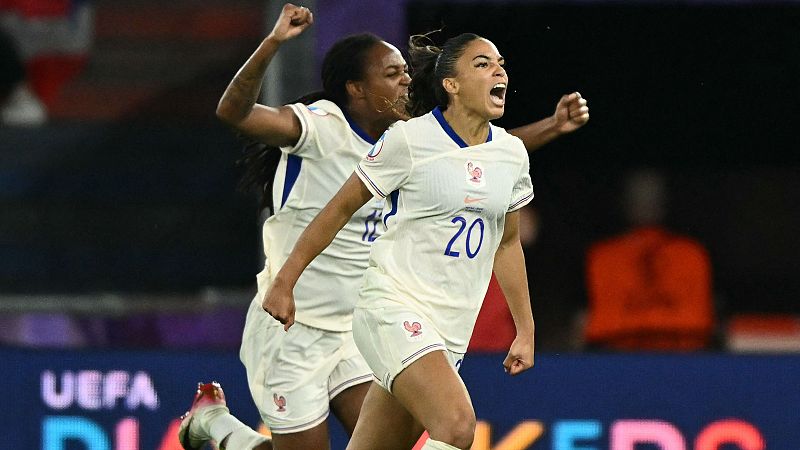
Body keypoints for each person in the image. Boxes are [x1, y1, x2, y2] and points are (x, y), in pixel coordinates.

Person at [179, 4, 589, 450]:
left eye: (406, 72)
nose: (406, 81)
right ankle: (215, 424)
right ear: (356, 89)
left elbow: (479, 158)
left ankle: (213, 422)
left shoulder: (417, 139)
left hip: (357, 326)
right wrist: (274, 41)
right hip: (295, 324)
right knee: (453, 426)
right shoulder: (322, 127)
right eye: (392, 74)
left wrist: (551, 126)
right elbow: (235, 112)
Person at [262, 31, 535, 450]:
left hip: (451, 328)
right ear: (451, 84)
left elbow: (507, 243)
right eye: (482, 64)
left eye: (500, 64)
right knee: (457, 426)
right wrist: (285, 281)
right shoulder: (409, 139)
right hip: (392, 309)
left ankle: (213, 423)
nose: (499, 71)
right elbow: (338, 208)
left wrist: (525, 329)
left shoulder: (512, 154)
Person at [583, 168, 715, 351]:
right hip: (619, 358)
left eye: (653, 197)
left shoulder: (691, 254)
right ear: (625, 202)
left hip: (680, 357)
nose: (646, 204)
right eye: (639, 198)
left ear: (664, 202)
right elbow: (598, 326)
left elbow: (698, 324)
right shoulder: (603, 256)